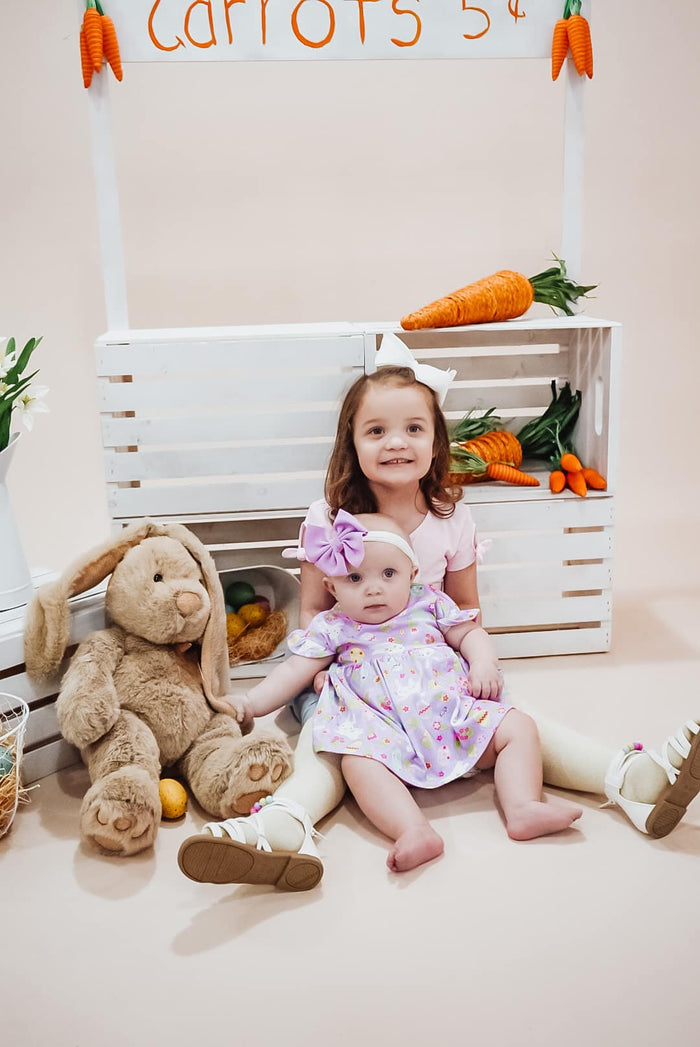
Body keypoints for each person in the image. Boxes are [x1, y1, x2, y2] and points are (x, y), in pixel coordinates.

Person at [177, 333, 700, 891]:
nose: (396, 442)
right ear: (350, 443)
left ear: (435, 441)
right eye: (376, 431)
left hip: (431, 669)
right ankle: (285, 826)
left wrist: (478, 664)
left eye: (413, 429)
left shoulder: (450, 519)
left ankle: (629, 779)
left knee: (520, 724)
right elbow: (312, 612)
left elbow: (465, 611)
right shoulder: (329, 518)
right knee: (334, 745)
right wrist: (306, 678)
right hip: (346, 674)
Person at [232, 511, 583, 873]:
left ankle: (522, 806)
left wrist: (483, 664)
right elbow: (292, 670)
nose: (374, 588)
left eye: (388, 574)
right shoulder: (334, 626)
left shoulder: (429, 604)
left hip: (452, 718)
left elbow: (470, 633)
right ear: (332, 587)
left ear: (412, 575)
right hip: (383, 734)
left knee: (519, 726)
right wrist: (250, 703)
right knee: (356, 761)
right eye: (354, 577)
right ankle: (413, 831)